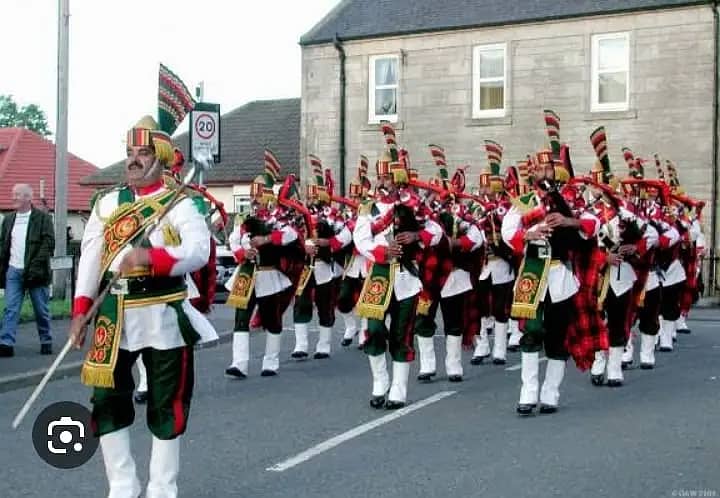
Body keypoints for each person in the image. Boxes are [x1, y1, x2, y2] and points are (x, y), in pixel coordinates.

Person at [69, 116, 218, 498]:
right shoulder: (107, 203)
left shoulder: (181, 202)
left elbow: (198, 252)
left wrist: (152, 259)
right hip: (113, 313)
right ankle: (122, 485)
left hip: (163, 311)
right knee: (105, 398)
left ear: (161, 159)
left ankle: (162, 489)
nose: (133, 160)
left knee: (167, 402)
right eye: (130, 153)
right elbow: (90, 257)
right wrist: (81, 311)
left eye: (143, 153)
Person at [0, 183, 55, 357]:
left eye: (18, 194)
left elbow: (48, 244)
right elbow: (3, 244)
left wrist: (35, 266)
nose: (13, 197)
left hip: (36, 272)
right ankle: (5, 343)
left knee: (41, 309)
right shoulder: (8, 219)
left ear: (28, 198)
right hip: (14, 271)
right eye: (13, 194)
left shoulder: (43, 218)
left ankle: (46, 339)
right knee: (11, 308)